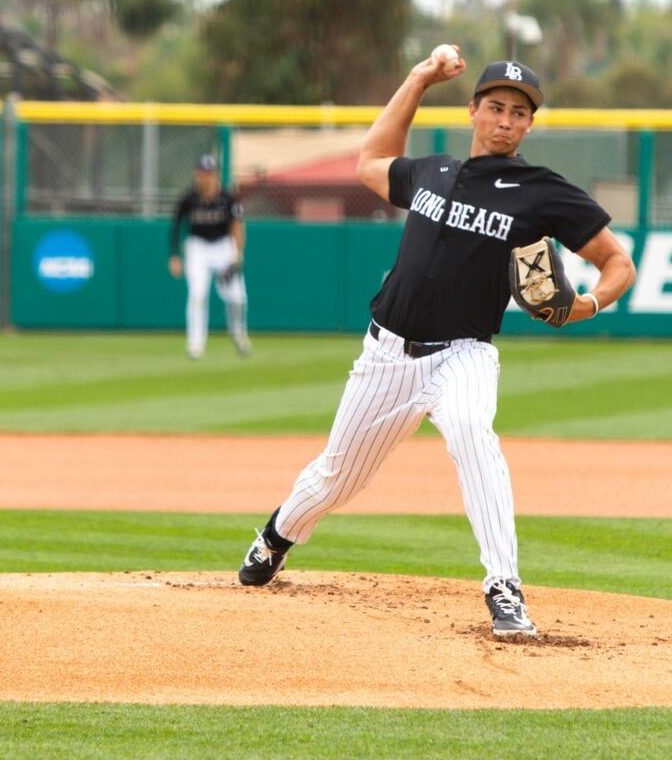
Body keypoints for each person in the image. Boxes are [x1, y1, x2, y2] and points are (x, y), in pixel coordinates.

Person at [236, 48, 636, 638]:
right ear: (473, 110)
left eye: (519, 113)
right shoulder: (434, 172)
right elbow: (372, 161)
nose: (505, 121)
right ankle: (276, 537)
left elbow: (617, 261)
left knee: (474, 435)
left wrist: (589, 304)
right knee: (337, 476)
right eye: (496, 107)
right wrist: (419, 78)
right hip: (386, 356)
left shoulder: (541, 192)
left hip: (463, 354)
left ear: (529, 125)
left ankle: (504, 587)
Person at [169, 153, 251, 360]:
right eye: (202, 173)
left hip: (223, 246)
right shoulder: (188, 198)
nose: (205, 177)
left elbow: (237, 226)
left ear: (215, 175)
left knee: (237, 298)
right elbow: (176, 226)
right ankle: (195, 344)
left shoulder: (228, 198)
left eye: (209, 173)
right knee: (197, 294)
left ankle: (238, 333)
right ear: (196, 174)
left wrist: (237, 254)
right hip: (197, 247)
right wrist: (174, 255)